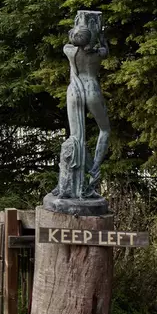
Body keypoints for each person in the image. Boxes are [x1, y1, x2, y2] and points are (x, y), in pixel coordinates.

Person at [62, 13, 109, 197]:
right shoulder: (98, 54)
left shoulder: (69, 50)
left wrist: (80, 28)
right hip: (92, 91)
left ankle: (80, 176)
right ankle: (94, 170)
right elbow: (104, 49)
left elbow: (74, 41)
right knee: (105, 130)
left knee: (76, 138)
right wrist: (99, 38)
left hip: (74, 90)